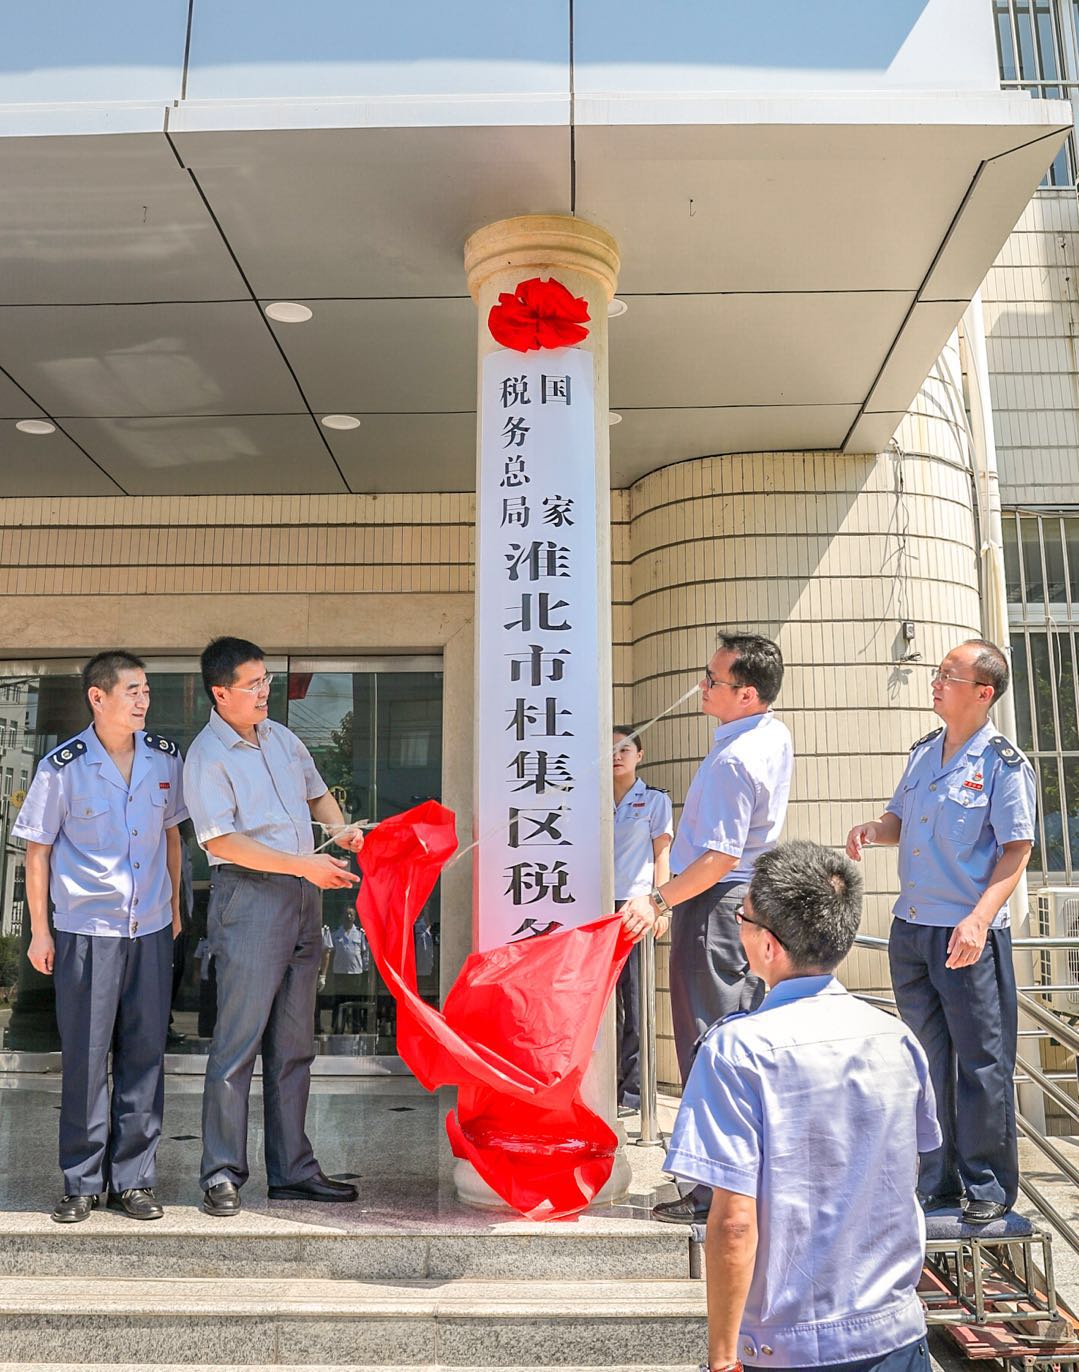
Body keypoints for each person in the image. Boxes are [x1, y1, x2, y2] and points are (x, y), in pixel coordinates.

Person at [666, 840, 940, 1372]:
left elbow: (733, 1223)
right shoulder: (897, 1039)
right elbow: (908, 1172)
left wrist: (722, 1358)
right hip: (898, 1332)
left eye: (742, 917)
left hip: (793, 1346)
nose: (739, 928)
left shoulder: (735, 1050)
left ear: (767, 945)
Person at [846, 638, 1035, 1224]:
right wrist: (874, 830)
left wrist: (979, 918)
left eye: (948, 675)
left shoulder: (1003, 763)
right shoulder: (926, 752)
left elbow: (1016, 850)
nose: (935, 681)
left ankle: (986, 1185)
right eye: (937, 672)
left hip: (967, 935)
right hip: (913, 929)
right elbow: (901, 817)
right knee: (927, 1061)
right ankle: (937, 1178)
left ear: (983, 693)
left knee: (980, 1064)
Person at [183, 637, 365, 1217]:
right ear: (220, 693)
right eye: (253, 684)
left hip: (303, 896)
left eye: (266, 681)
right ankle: (221, 1172)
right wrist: (303, 864)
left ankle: (292, 1171)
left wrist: (340, 832)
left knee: (292, 1046)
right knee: (237, 1042)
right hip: (250, 895)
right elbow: (222, 840)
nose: (265, 692)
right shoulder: (206, 756)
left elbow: (318, 795)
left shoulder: (284, 738)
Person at [621, 631, 793, 1222]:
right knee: (734, 1043)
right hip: (739, 902)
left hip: (715, 904)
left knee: (709, 1047)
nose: (702, 686)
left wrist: (658, 901)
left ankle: (712, 1195)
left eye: (713, 680)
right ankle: (732, 1186)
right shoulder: (772, 735)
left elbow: (717, 856)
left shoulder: (734, 759)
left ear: (746, 694)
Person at [13, 651, 187, 1223]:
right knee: (86, 1058)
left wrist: (175, 907)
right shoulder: (62, 767)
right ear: (98, 696)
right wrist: (40, 931)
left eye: (147, 691)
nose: (144, 700)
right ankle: (81, 1181)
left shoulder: (165, 758)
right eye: (133, 690)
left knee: (144, 1055)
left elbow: (172, 838)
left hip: (151, 929)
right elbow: (36, 854)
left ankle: (134, 1180)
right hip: (86, 931)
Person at [612, 724, 672, 1113]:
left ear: (640, 755)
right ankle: (602, 1085)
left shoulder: (653, 801)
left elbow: (662, 855)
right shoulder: (589, 799)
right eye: (610, 750)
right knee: (601, 1005)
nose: (616, 755)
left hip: (636, 907)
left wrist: (662, 905)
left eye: (624, 748)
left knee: (635, 1002)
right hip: (595, 907)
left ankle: (632, 1094)